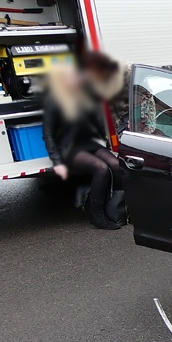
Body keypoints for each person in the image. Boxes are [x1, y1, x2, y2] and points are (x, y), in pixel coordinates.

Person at [42, 62, 122, 230]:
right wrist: (57, 163)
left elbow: (97, 123)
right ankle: (97, 215)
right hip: (69, 147)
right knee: (101, 168)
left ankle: (116, 210)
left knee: (115, 165)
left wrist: (108, 140)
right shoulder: (53, 101)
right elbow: (47, 134)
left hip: (88, 142)